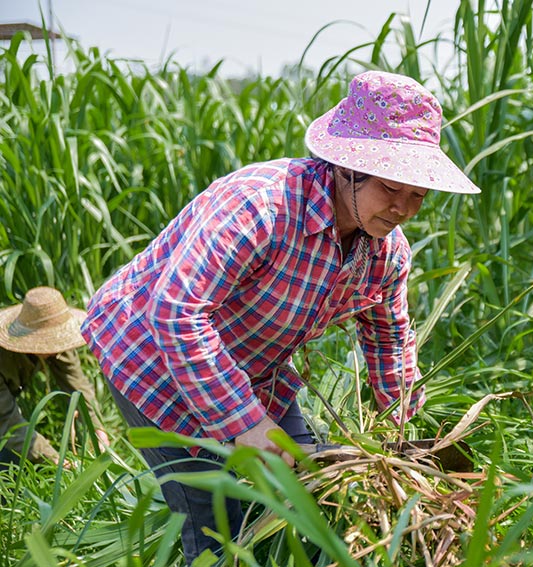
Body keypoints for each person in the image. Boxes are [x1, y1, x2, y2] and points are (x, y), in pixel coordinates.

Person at [81, 70, 480, 563]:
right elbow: (176, 312)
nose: (402, 209)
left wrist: (404, 434)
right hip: (152, 355)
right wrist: (246, 426)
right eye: (391, 188)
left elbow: (390, 338)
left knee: (317, 498)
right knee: (220, 528)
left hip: (250, 367)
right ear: (344, 168)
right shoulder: (259, 207)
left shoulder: (385, 253)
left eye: (417, 195)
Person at [0, 286, 109, 467]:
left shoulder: (57, 345)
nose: (55, 347)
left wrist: (97, 430)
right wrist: (56, 461)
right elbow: (8, 423)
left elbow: (77, 385)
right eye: (48, 341)